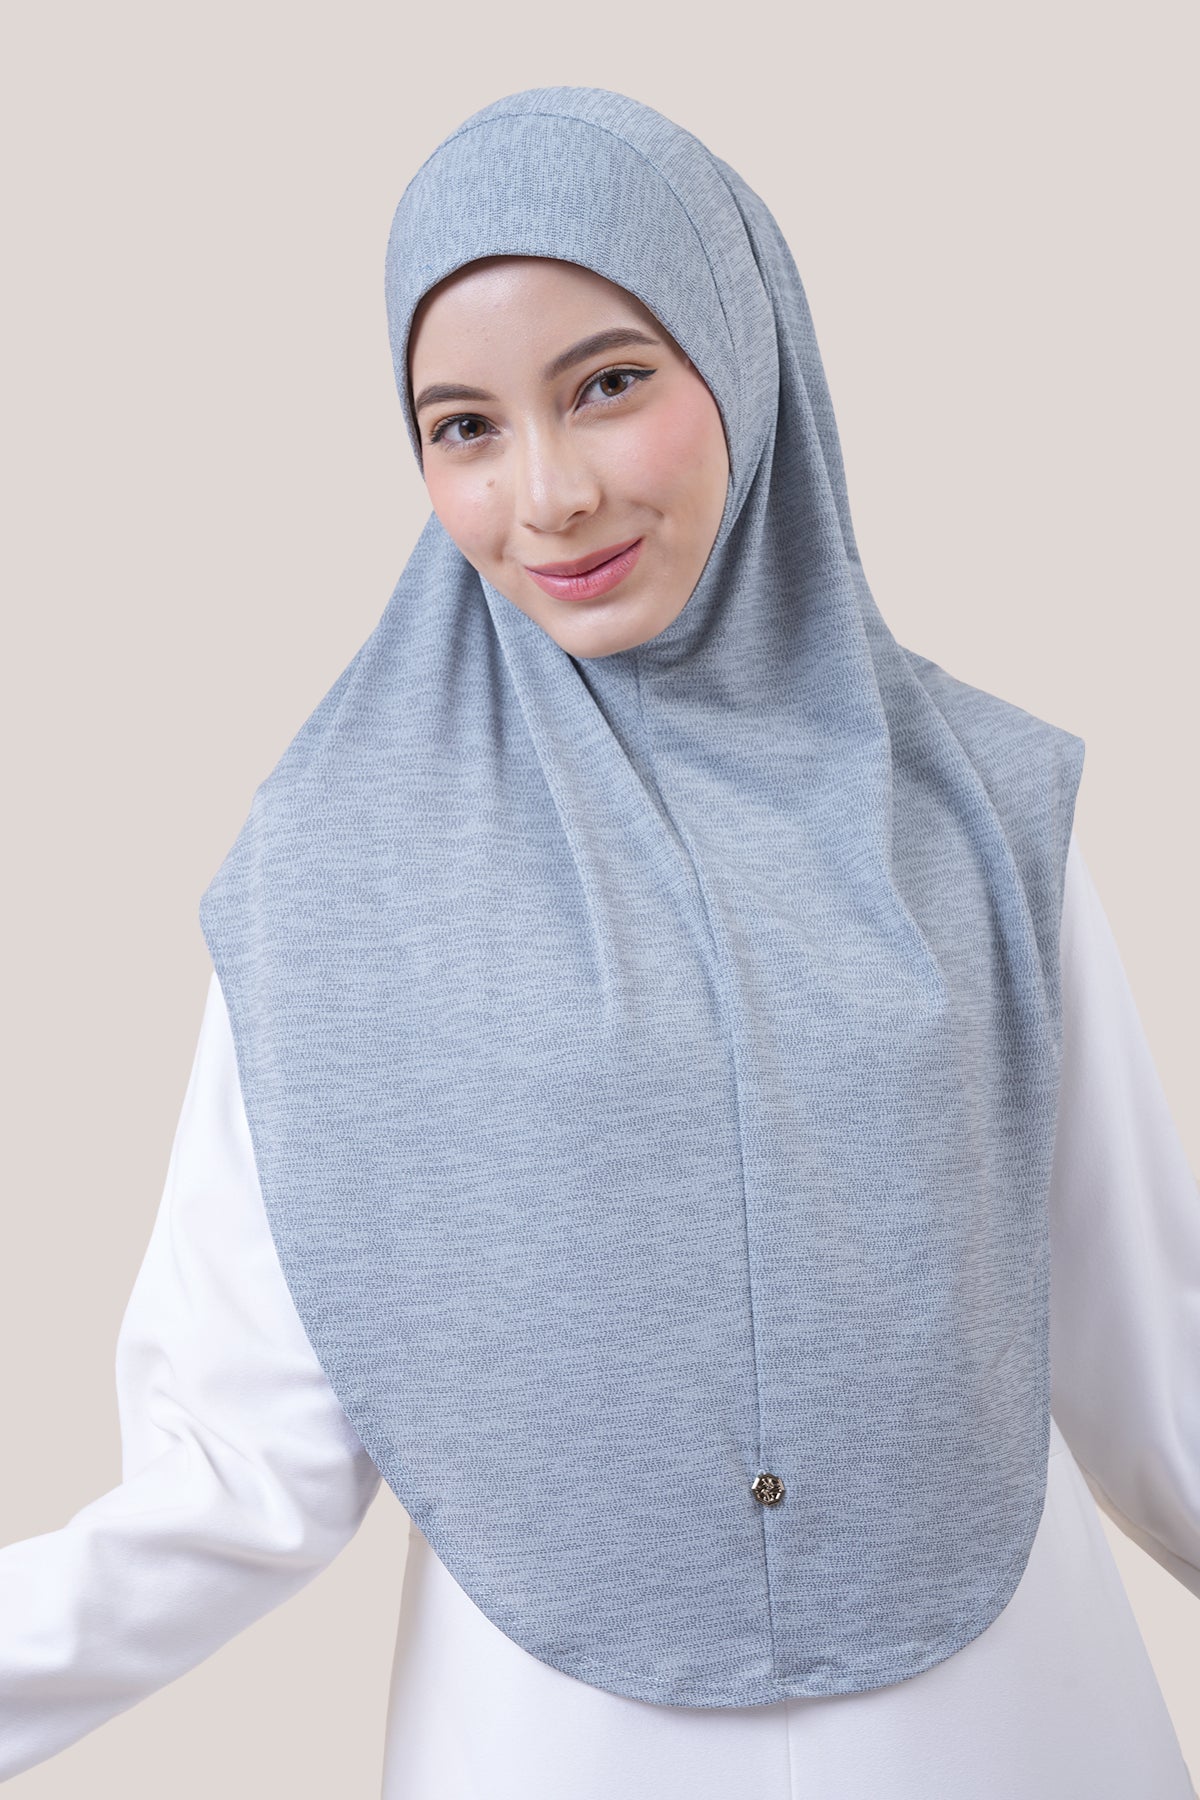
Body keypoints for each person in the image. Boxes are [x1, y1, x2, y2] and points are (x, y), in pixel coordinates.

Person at [1, 85, 1197, 1797]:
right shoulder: (330, 871)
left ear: (745, 357)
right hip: (553, 1750)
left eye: (610, 384)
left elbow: (1155, 1380)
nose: (547, 495)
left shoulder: (984, 808)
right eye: (464, 426)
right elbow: (236, 1476)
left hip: (1014, 1730)